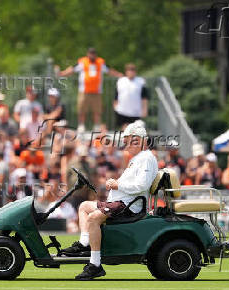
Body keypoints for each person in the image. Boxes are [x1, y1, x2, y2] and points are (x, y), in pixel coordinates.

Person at [60, 121, 158, 280]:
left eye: (127, 142)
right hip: (122, 203)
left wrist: (117, 184)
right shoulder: (139, 158)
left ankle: (95, 265)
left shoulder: (145, 158)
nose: (125, 146)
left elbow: (142, 185)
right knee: (84, 206)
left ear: (138, 140)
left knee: (92, 218)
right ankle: (84, 243)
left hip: (128, 206)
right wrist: (116, 184)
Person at [58, 48, 123, 132]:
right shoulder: (82, 62)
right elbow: (72, 69)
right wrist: (63, 73)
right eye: (90, 53)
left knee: (97, 110)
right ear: (87, 54)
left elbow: (109, 70)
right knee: (82, 109)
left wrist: (119, 75)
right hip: (84, 91)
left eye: (93, 53)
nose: (92, 55)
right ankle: (81, 126)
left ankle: (96, 126)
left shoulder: (100, 62)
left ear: (95, 54)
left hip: (97, 92)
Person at [114, 63, 149, 129]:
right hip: (122, 109)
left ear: (135, 72)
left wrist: (145, 109)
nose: (130, 73)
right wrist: (115, 106)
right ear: (126, 72)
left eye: (132, 71)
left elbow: (144, 97)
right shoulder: (121, 81)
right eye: (129, 71)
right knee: (124, 128)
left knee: (135, 129)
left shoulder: (140, 81)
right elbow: (116, 95)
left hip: (135, 111)